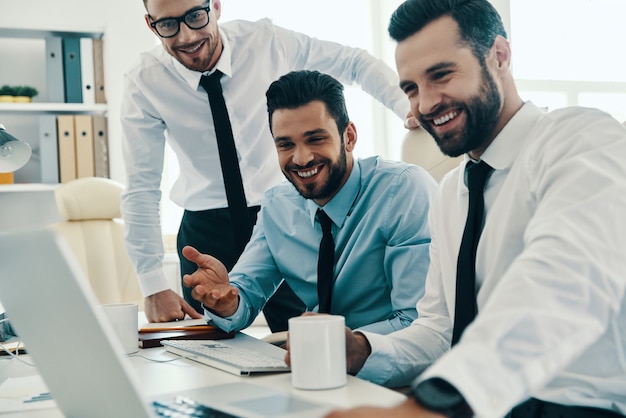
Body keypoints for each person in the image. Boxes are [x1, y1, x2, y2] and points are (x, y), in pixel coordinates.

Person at [322, 0, 626, 417]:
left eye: (441, 74)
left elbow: (564, 279)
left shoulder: (580, 139)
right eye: (410, 88)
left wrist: (439, 403)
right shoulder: (450, 193)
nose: (425, 104)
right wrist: (363, 349)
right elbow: (440, 330)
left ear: (499, 56)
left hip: (573, 406)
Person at [120, 0, 418, 328]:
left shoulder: (266, 42)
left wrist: (409, 108)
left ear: (215, 6)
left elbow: (353, 62)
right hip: (206, 228)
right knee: (212, 341)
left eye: (195, 16)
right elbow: (141, 186)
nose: (187, 35)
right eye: (168, 25)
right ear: (151, 25)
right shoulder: (144, 81)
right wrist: (153, 284)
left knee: (307, 340)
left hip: (281, 220)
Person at [181, 69, 437, 336]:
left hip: (393, 370)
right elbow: (243, 295)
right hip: (317, 363)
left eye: (315, 139)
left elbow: (418, 323)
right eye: (286, 145)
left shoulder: (403, 192)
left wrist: (329, 343)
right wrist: (226, 302)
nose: (301, 158)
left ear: (348, 137)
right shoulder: (277, 207)